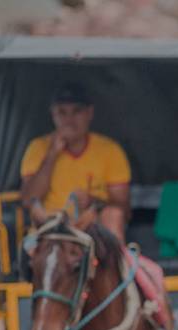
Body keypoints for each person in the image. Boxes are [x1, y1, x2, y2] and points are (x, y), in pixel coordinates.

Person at [20, 82, 131, 241]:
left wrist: (92, 201)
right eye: (62, 112)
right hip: (50, 228)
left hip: (94, 227)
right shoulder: (38, 147)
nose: (69, 120)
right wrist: (51, 155)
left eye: (76, 111)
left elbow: (123, 209)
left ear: (90, 112)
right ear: (53, 115)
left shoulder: (110, 150)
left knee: (113, 215)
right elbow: (28, 199)